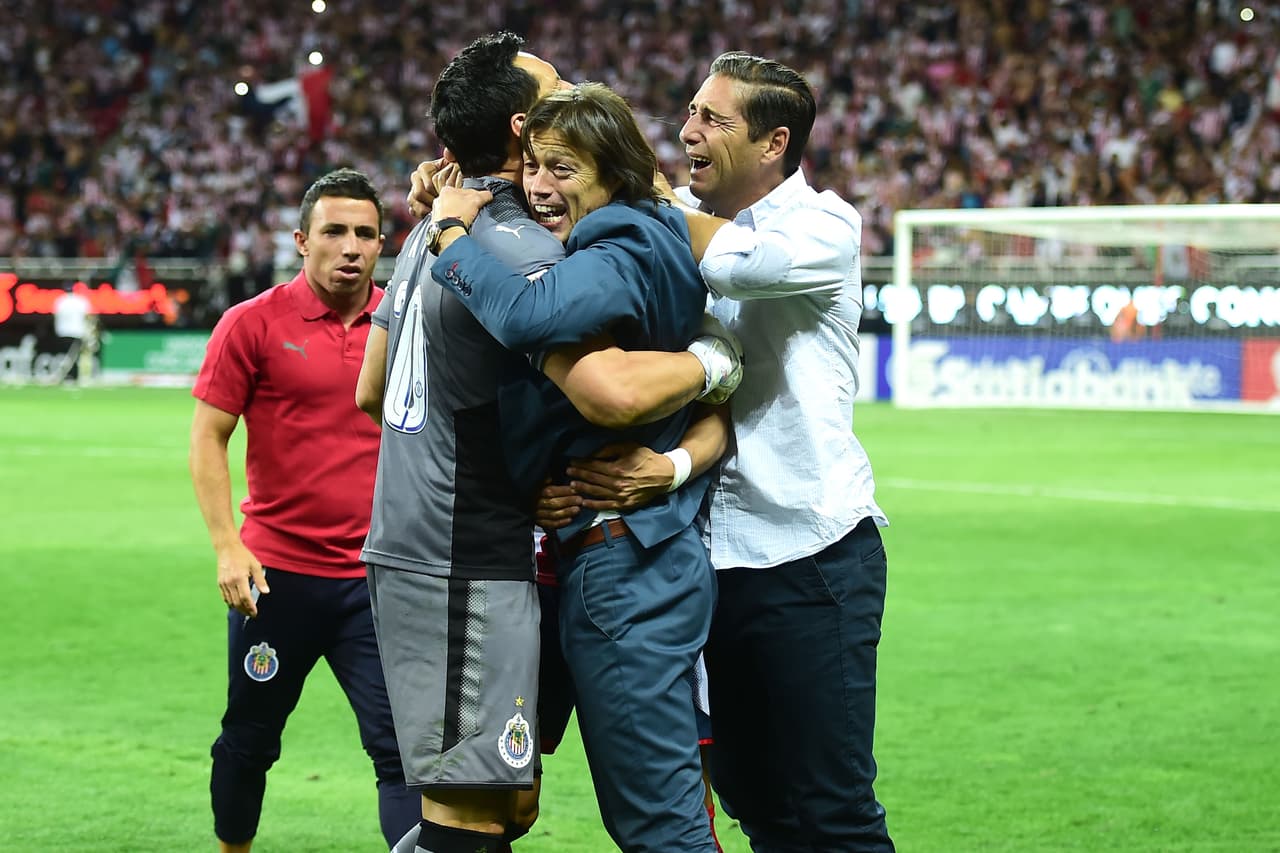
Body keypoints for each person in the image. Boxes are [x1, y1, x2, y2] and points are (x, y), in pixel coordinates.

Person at [355, 38, 737, 853]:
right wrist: (713, 361)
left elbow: (370, 388)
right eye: (557, 89)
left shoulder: (433, 224)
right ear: (526, 128)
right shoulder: (522, 246)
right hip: (471, 549)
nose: (575, 91)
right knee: (472, 811)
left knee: (505, 802)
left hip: (453, 542)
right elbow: (609, 388)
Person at [547, 52, 896, 852]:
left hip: (812, 555)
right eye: (691, 111)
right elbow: (703, 389)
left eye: (713, 118)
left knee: (832, 807)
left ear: (774, 143)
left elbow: (750, 263)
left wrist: (653, 201)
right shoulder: (690, 248)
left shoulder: (824, 225)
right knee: (751, 795)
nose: (688, 130)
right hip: (713, 558)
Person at [188, 168, 419, 853]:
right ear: (300, 239)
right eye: (335, 231)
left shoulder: (406, 323)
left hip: (375, 579)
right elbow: (209, 434)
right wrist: (227, 544)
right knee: (249, 740)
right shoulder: (251, 323)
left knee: (400, 750)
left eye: (366, 234)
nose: (351, 246)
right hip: (276, 579)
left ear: (383, 244)